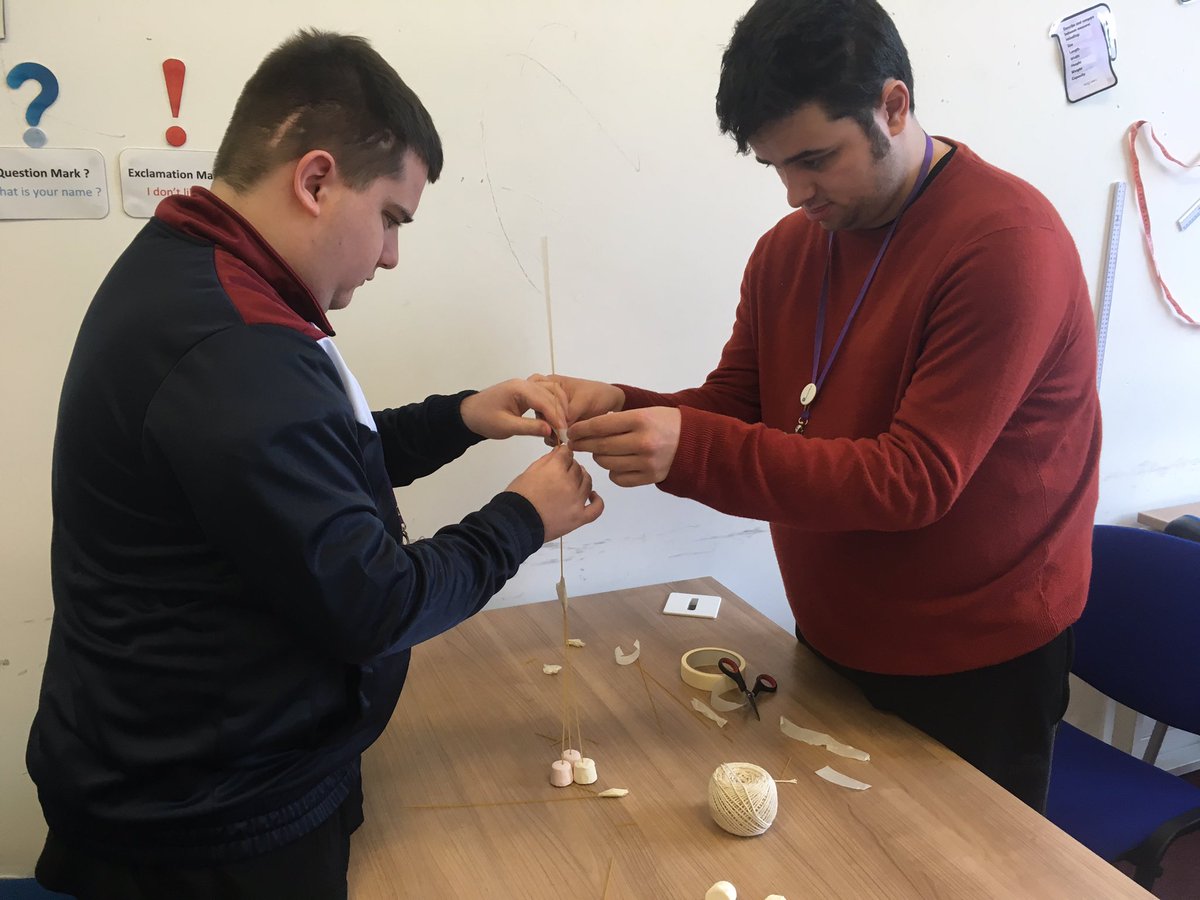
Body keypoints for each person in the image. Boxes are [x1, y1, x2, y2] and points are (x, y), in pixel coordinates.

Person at [27, 29, 602, 899]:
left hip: (194, 772)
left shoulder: (195, 272)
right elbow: (376, 604)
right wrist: (525, 517)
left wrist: (461, 418)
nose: (390, 256)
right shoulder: (234, 346)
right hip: (203, 822)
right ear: (317, 179)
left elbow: (313, 463)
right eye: (391, 219)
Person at [547, 0, 1100, 812]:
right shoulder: (789, 250)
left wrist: (688, 448)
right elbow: (736, 407)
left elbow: (915, 479)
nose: (795, 192)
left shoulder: (1007, 243)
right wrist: (621, 406)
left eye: (816, 159)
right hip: (835, 633)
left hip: (977, 662)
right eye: (775, 166)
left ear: (894, 105)